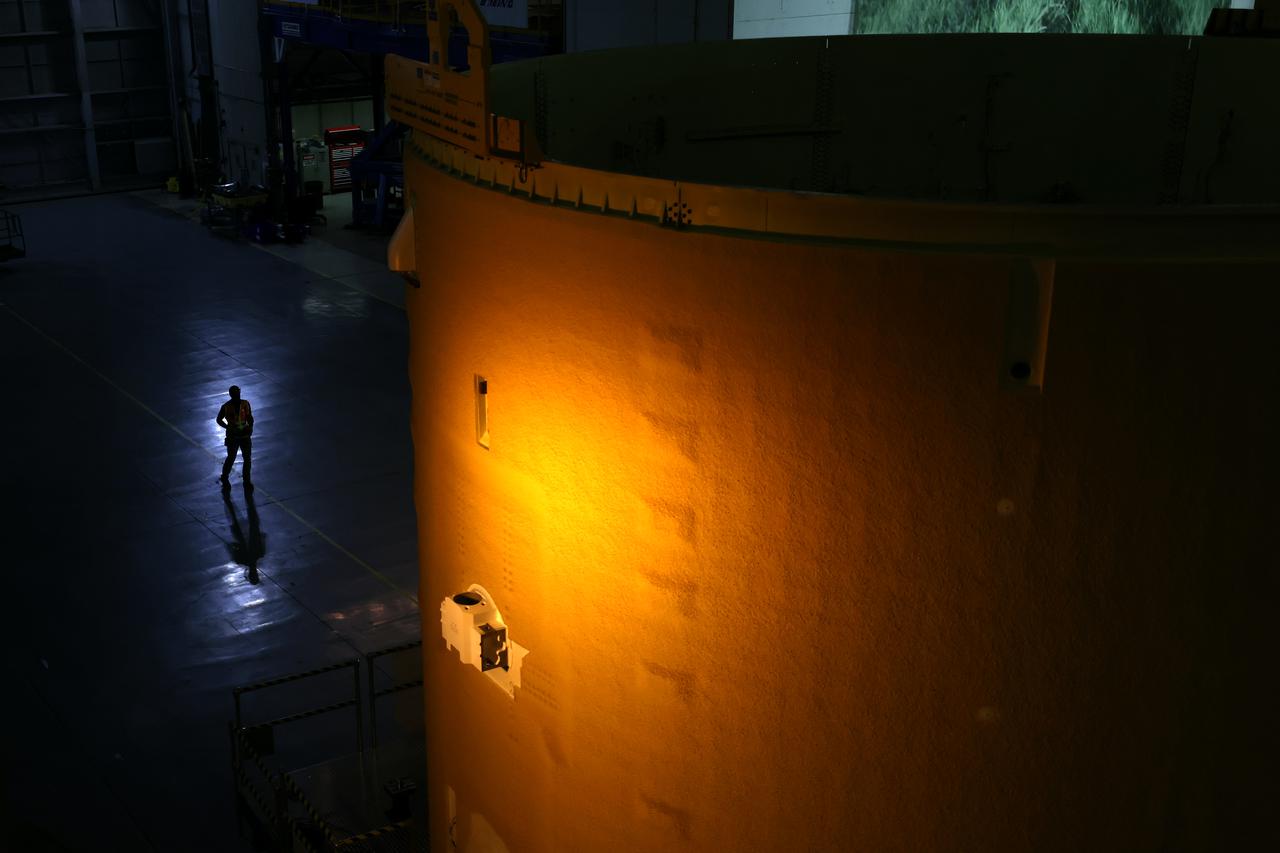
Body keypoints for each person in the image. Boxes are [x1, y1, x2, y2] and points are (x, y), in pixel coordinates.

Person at [216, 385, 254, 490]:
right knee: (231, 458)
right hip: (233, 436)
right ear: (231, 394)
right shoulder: (226, 406)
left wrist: (250, 427)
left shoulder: (245, 404)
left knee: (247, 459)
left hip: (244, 435)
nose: (237, 395)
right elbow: (219, 419)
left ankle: (247, 481)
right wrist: (228, 427)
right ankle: (225, 476)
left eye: (238, 392)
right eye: (235, 393)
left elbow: (249, 417)